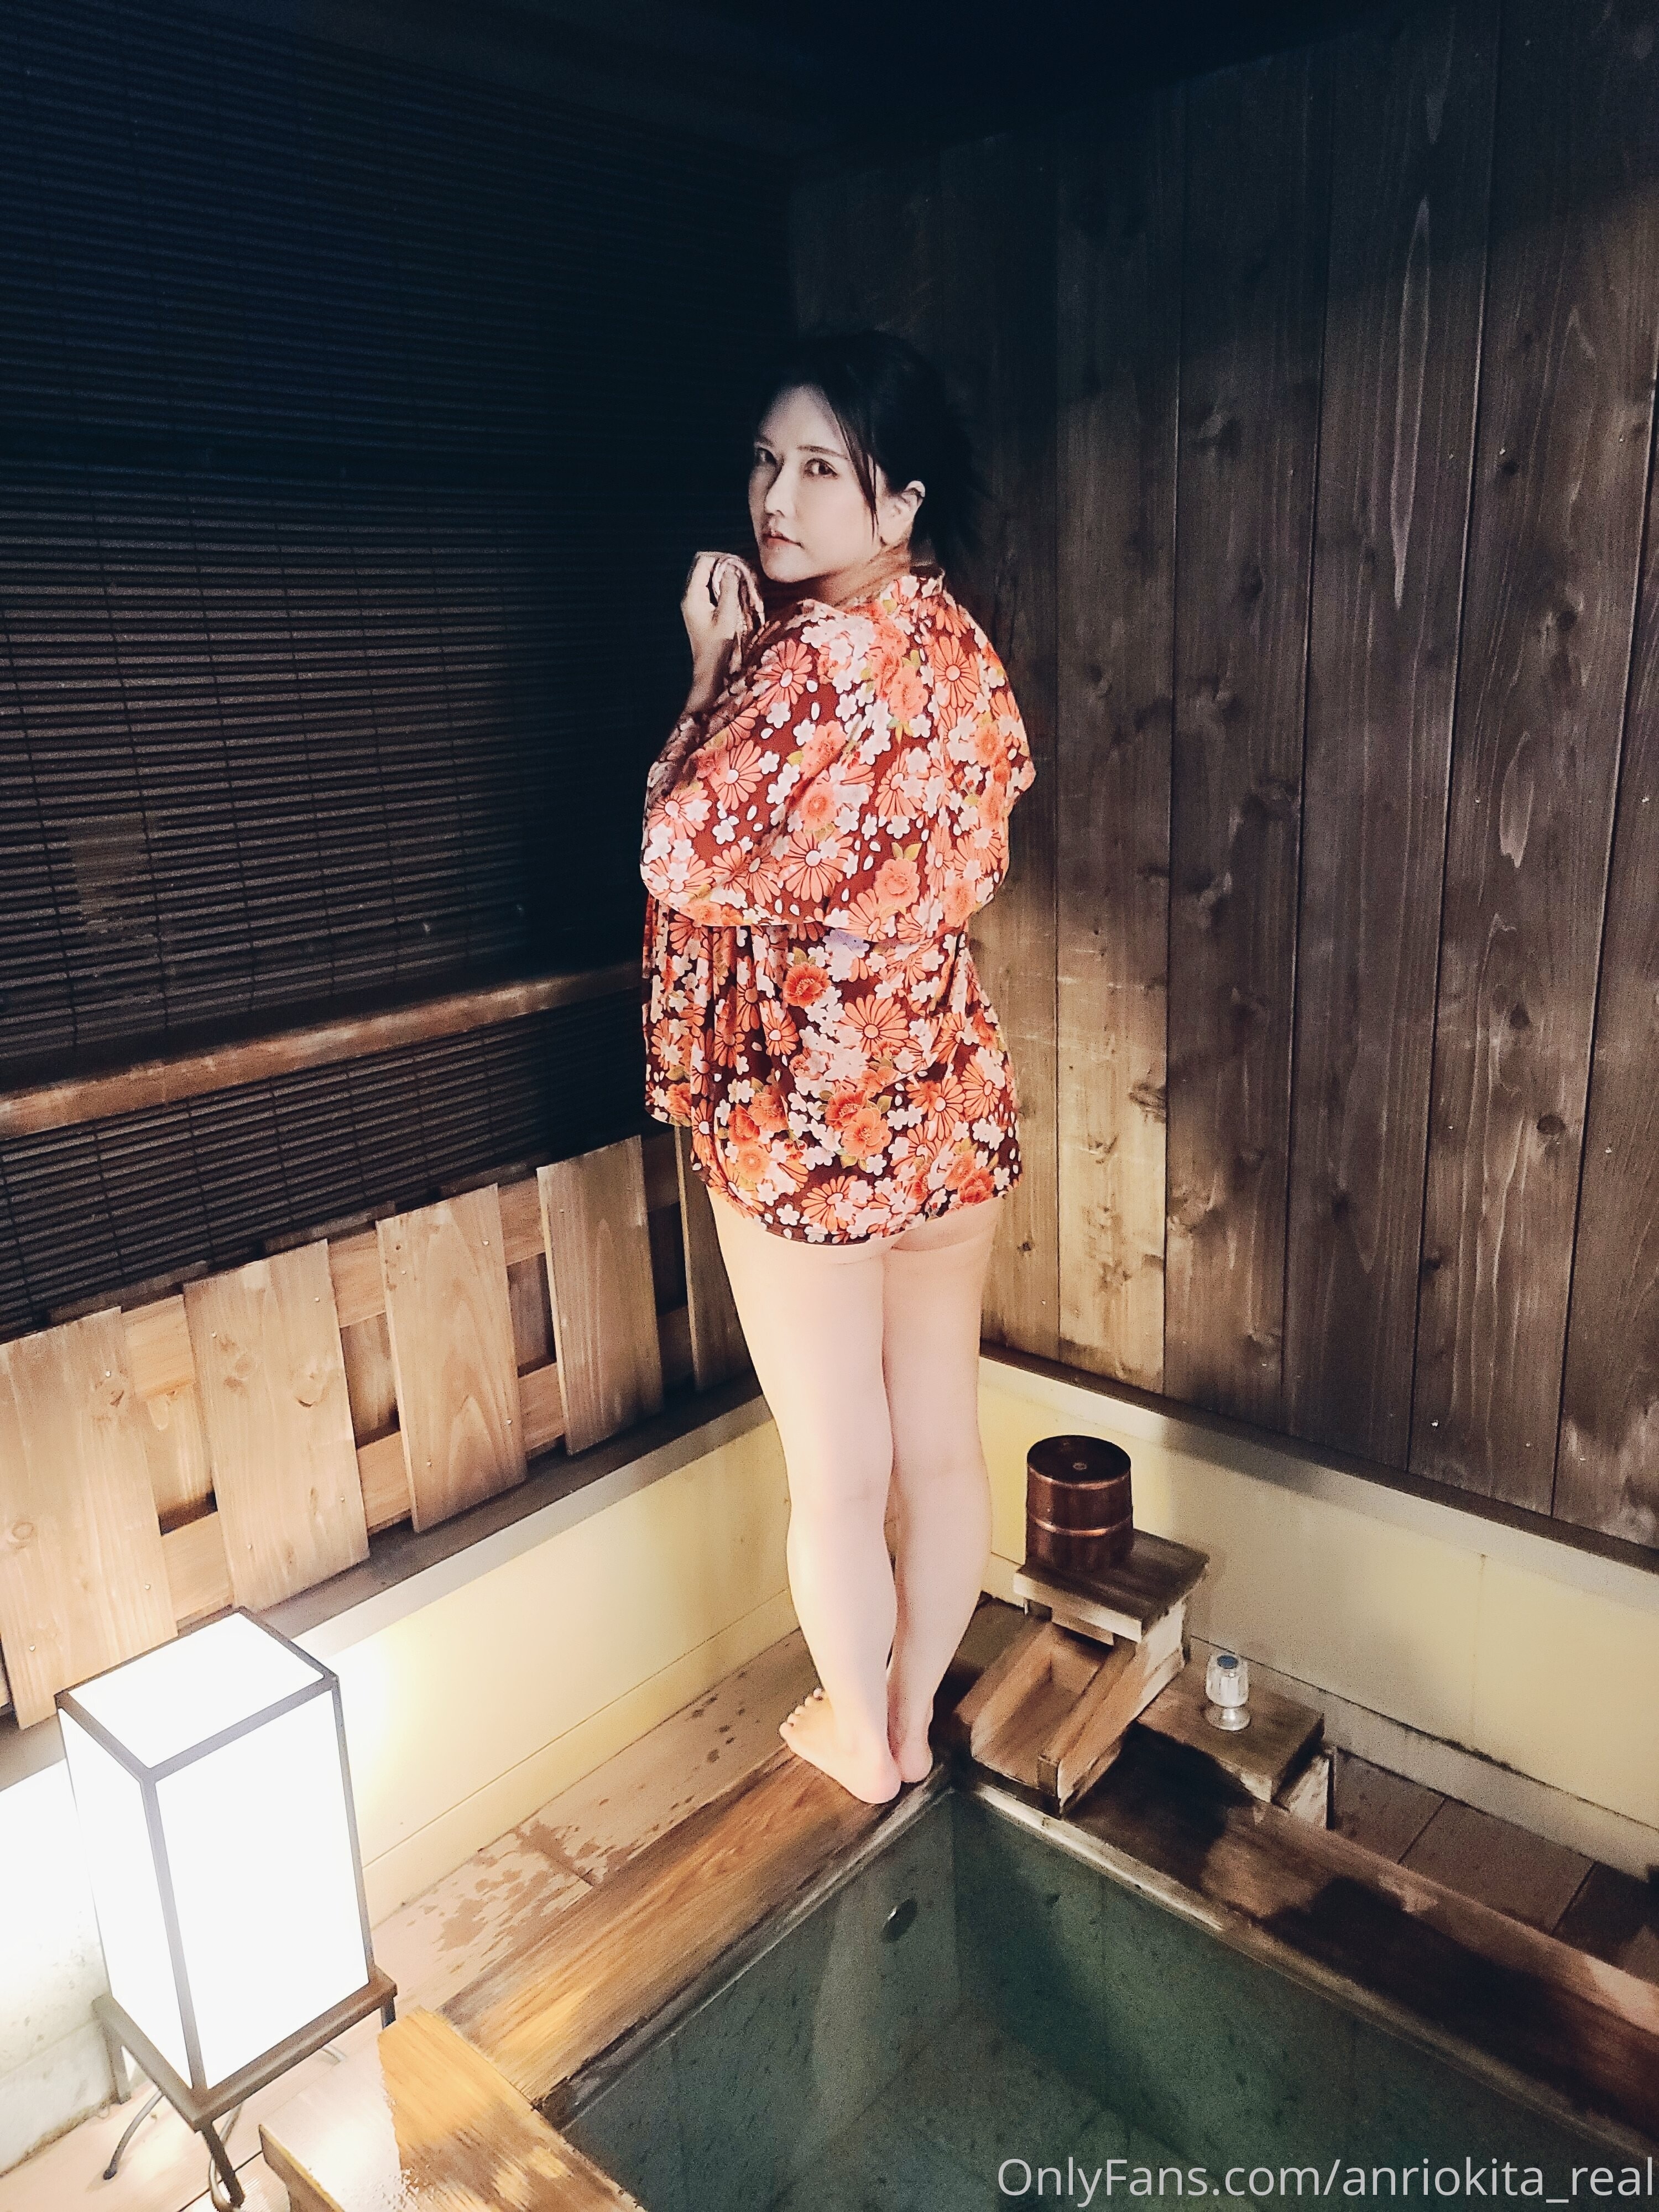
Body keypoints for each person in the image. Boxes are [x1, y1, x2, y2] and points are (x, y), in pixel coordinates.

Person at [638, 330, 1035, 1804]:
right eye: (767, 460)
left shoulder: (801, 666)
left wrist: (709, 670)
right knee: (940, 1446)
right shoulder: (960, 646)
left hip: (805, 1112)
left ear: (901, 499)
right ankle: (913, 1711)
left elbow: (676, 849)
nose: (776, 496)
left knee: (840, 1469)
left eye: (821, 467)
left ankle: (864, 1743)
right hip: (944, 1093)